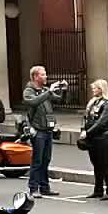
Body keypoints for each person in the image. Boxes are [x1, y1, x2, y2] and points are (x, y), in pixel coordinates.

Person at [23, 66, 66, 197]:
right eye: (43, 74)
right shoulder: (29, 91)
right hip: (38, 130)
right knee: (37, 160)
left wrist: (63, 91)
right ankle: (33, 187)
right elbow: (33, 102)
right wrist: (48, 92)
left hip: (48, 130)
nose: (46, 77)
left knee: (46, 160)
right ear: (35, 77)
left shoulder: (45, 90)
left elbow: (60, 101)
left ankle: (44, 187)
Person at [80, 79, 108, 198]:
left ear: (101, 89)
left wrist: (88, 132)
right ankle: (98, 189)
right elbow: (86, 118)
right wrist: (83, 130)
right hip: (93, 137)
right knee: (96, 164)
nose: (93, 90)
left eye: (95, 88)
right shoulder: (93, 102)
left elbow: (102, 122)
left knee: (105, 164)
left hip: (103, 137)